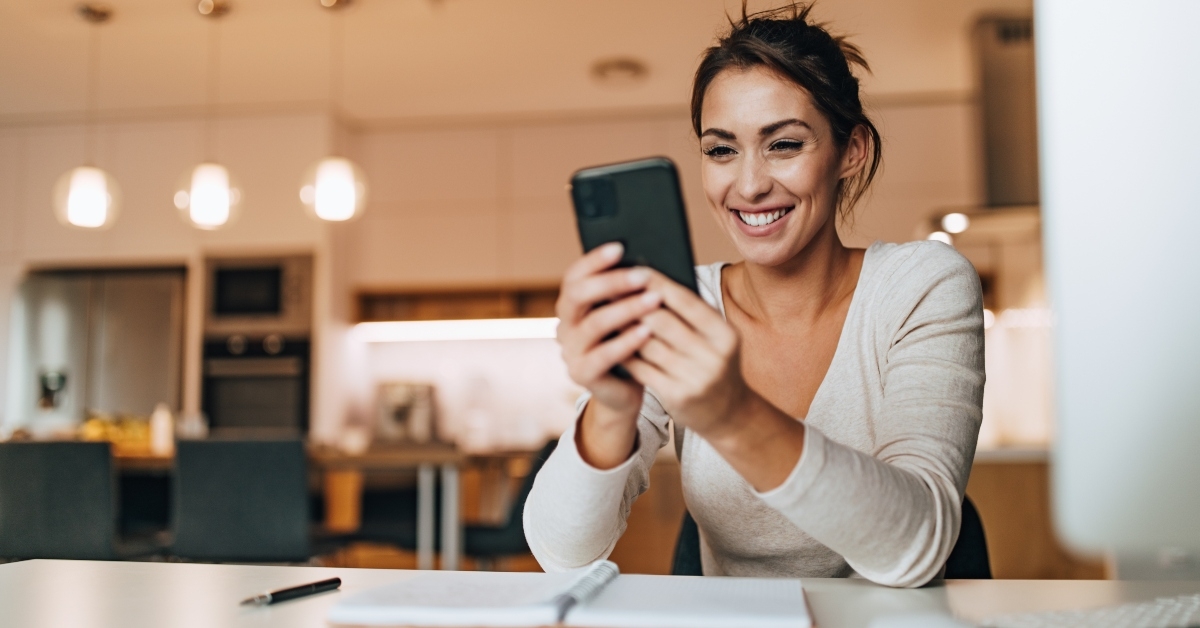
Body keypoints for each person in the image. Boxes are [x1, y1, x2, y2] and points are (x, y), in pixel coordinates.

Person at [524, 2, 984, 588]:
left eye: (784, 144)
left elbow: (916, 549)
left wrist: (731, 413)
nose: (749, 185)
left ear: (852, 151)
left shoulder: (922, 285)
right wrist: (613, 405)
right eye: (722, 150)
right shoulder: (679, 301)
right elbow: (562, 555)